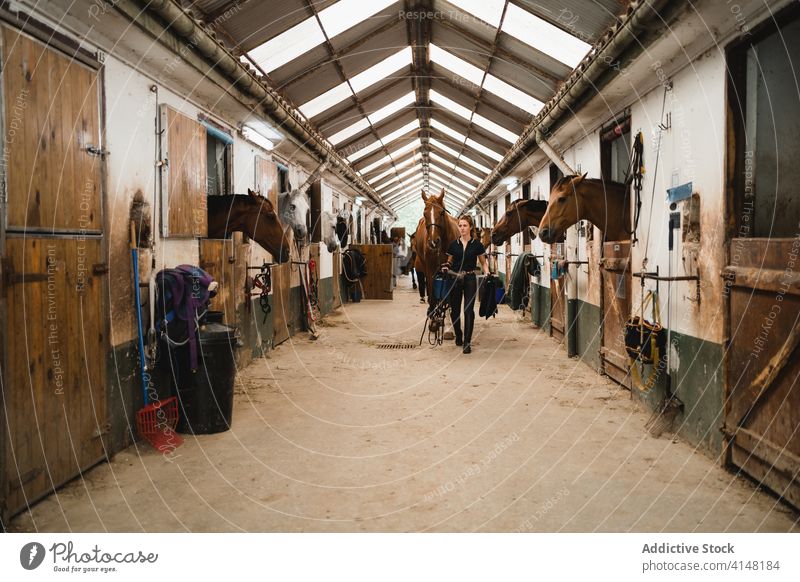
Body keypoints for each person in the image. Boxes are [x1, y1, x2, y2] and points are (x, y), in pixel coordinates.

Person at [441, 215, 491, 354]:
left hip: (469, 279)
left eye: (465, 225)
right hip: (455, 279)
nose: (462, 228)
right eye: (460, 226)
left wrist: (487, 272)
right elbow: (450, 261)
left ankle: (467, 342)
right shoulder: (453, 245)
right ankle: (458, 334)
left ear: (470, 227)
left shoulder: (477, 244)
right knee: (455, 310)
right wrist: (447, 266)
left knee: (468, 310)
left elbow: (482, 262)